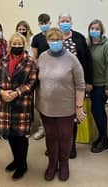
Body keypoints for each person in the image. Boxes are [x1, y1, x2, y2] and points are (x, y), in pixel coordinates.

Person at [36, 28, 86, 181]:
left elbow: (80, 85)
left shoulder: (72, 59)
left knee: (65, 137)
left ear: (62, 40)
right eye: (51, 39)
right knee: (50, 137)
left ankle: (64, 163)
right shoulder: (43, 57)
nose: (55, 42)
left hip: (66, 107)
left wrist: (79, 107)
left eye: (57, 39)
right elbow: (37, 80)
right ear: (48, 41)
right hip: (46, 107)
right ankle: (52, 164)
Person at [0, 32, 37, 180]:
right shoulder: (3, 60)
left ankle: (22, 164)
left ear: (24, 45)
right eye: (14, 44)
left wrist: (16, 92)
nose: (17, 46)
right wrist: (1, 91)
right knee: (10, 135)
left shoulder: (30, 61)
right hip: (5, 103)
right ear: (10, 44)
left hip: (21, 103)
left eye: (20, 44)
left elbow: (32, 83)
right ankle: (16, 159)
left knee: (21, 136)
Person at [58, 13, 93, 159]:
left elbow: (88, 60)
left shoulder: (79, 38)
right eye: (62, 21)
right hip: (57, 86)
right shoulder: (54, 38)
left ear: (71, 22)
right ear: (58, 22)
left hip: (75, 85)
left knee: (73, 116)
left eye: (67, 21)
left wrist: (89, 81)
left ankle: (71, 146)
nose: (65, 23)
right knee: (58, 117)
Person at [87, 19, 108, 153]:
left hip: (102, 85)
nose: (94, 31)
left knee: (98, 111)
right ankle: (101, 136)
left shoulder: (107, 46)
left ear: (101, 31)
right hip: (91, 85)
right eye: (92, 28)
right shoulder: (88, 45)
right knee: (95, 111)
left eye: (97, 28)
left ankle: (104, 140)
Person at [31, 13, 51, 140]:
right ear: (38, 24)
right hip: (40, 74)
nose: (44, 25)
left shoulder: (55, 35)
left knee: (52, 101)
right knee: (39, 102)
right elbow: (34, 58)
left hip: (55, 75)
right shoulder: (37, 38)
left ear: (50, 23)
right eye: (41, 23)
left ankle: (51, 127)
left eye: (46, 23)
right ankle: (43, 127)